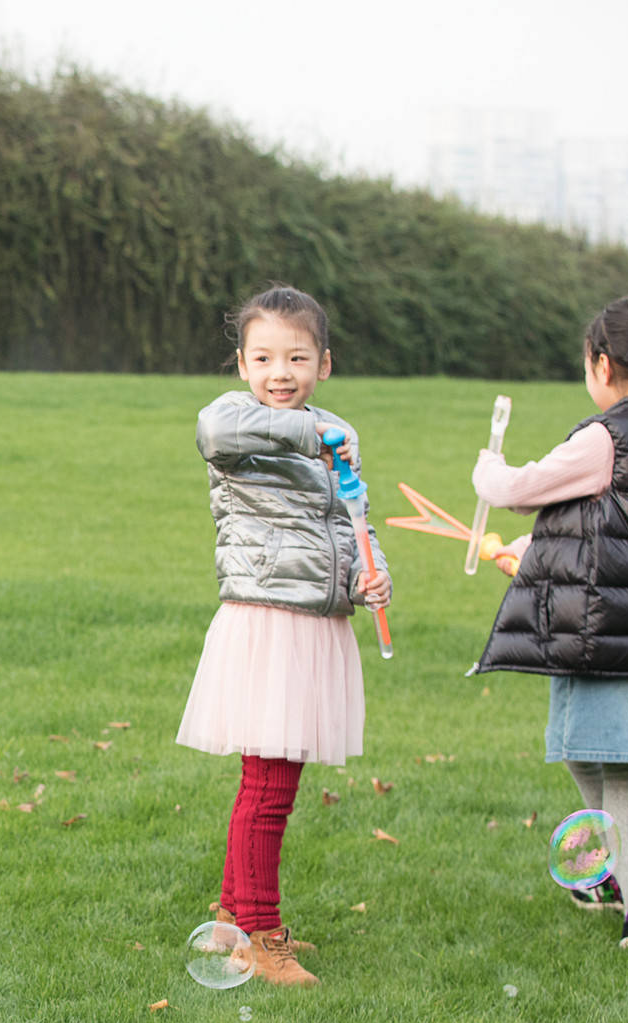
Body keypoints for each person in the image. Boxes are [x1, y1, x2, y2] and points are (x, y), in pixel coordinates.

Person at [471, 296, 628, 951]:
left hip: (602, 637)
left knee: (621, 778)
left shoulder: (605, 437)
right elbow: (613, 526)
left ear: (602, 365)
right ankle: (614, 871)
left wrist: (487, 471)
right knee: (589, 754)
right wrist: (528, 554)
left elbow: (522, 488)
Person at [176, 285, 390, 987]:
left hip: (315, 624)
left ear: (324, 363)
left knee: (267, 783)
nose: (281, 373)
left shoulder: (336, 433)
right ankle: (263, 942)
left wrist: (373, 571)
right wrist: (312, 433)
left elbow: (352, 519)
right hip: (268, 624)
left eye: (298, 357)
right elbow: (216, 432)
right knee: (268, 790)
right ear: (241, 364)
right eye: (264, 357)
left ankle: (233, 921)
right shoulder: (238, 422)